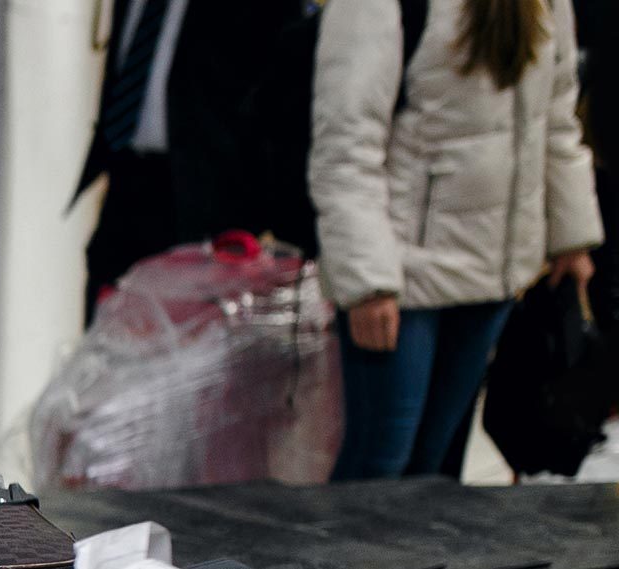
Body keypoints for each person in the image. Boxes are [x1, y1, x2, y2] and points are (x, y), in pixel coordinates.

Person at [312, 0, 602, 479]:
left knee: (438, 470)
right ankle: (353, 559)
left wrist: (572, 240)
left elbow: (555, 120)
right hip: (402, 276)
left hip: (493, 275)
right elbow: (346, 143)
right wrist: (367, 281)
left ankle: (418, 558)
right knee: (380, 466)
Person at [73, 0, 316, 320]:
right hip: (126, 180)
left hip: (210, 199)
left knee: (192, 341)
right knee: (109, 327)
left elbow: (282, 98)